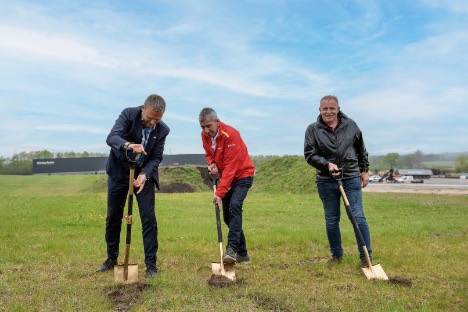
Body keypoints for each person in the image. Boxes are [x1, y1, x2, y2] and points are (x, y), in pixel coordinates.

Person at [96, 94, 170, 278]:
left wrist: (145, 174)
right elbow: (112, 137)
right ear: (143, 108)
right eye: (149, 118)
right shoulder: (128, 115)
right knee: (113, 216)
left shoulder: (163, 130)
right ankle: (111, 258)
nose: (152, 122)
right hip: (119, 173)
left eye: (157, 119)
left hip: (143, 177)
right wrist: (129, 145)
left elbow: (156, 157)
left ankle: (151, 265)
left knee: (148, 219)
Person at [304, 95, 372, 267]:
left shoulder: (351, 125)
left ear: (338, 109)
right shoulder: (313, 130)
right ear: (320, 110)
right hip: (326, 181)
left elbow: (361, 149)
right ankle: (336, 255)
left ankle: (366, 257)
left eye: (332, 108)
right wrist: (326, 164)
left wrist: (364, 170)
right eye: (325, 108)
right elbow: (310, 155)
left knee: (357, 216)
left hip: (350, 177)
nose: (328, 111)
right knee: (332, 219)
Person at [199, 107, 255, 264]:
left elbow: (231, 167)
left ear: (217, 122)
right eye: (203, 127)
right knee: (228, 217)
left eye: (209, 126)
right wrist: (212, 163)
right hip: (226, 177)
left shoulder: (231, 135)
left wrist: (219, 193)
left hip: (243, 175)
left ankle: (232, 250)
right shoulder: (205, 136)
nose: (206, 130)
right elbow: (209, 153)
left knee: (235, 206)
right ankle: (243, 255)